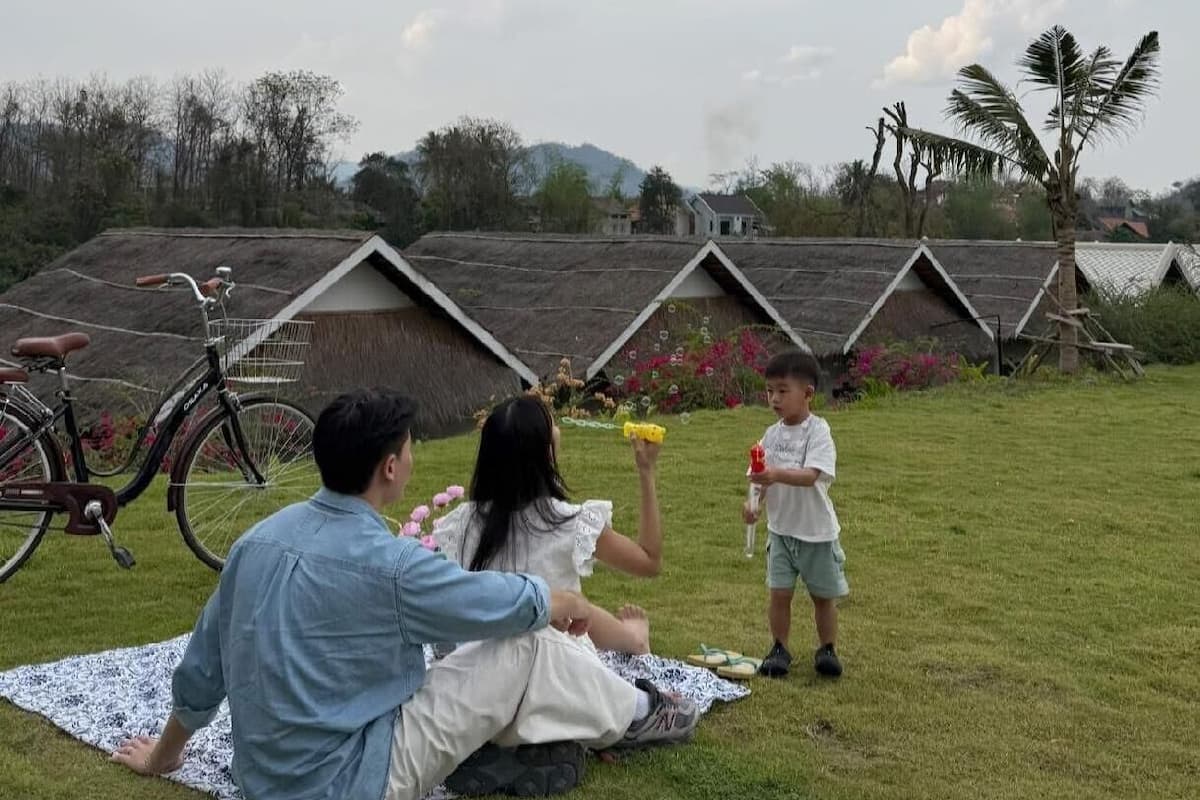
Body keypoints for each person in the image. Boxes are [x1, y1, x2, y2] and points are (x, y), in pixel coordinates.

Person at [110, 388, 698, 800]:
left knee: (507, 640)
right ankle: (642, 713)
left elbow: (202, 668)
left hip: (264, 780)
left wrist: (163, 758)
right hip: (355, 779)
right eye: (411, 448)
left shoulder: (256, 542)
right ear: (391, 467)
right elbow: (505, 605)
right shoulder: (394, 565)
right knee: (526, 641)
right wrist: (565, 603)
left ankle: (534, 740)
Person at [434, 396, 664, 655]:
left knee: (570, 602)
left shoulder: (459, 524)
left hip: (484, 661)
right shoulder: (570, 522)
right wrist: (647, 471)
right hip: (557, 663)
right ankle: (635, 641)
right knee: (571, 603)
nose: (558, 429)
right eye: (552, 424)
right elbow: (649, 561)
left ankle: (633, 640)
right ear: (546, 452)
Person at [742, 351, 848, 679]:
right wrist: (754, 503)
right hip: (781, 532)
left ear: (808, 394)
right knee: (779, 593)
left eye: (783, 390)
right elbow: (758, 476)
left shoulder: (818, 432)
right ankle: (779, 648)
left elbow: (812, 475)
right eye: (769, 391)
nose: (774, 398)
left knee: (822, 596)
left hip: (817, 533)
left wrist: (774, 475)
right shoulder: (770, 435)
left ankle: (827, 648)